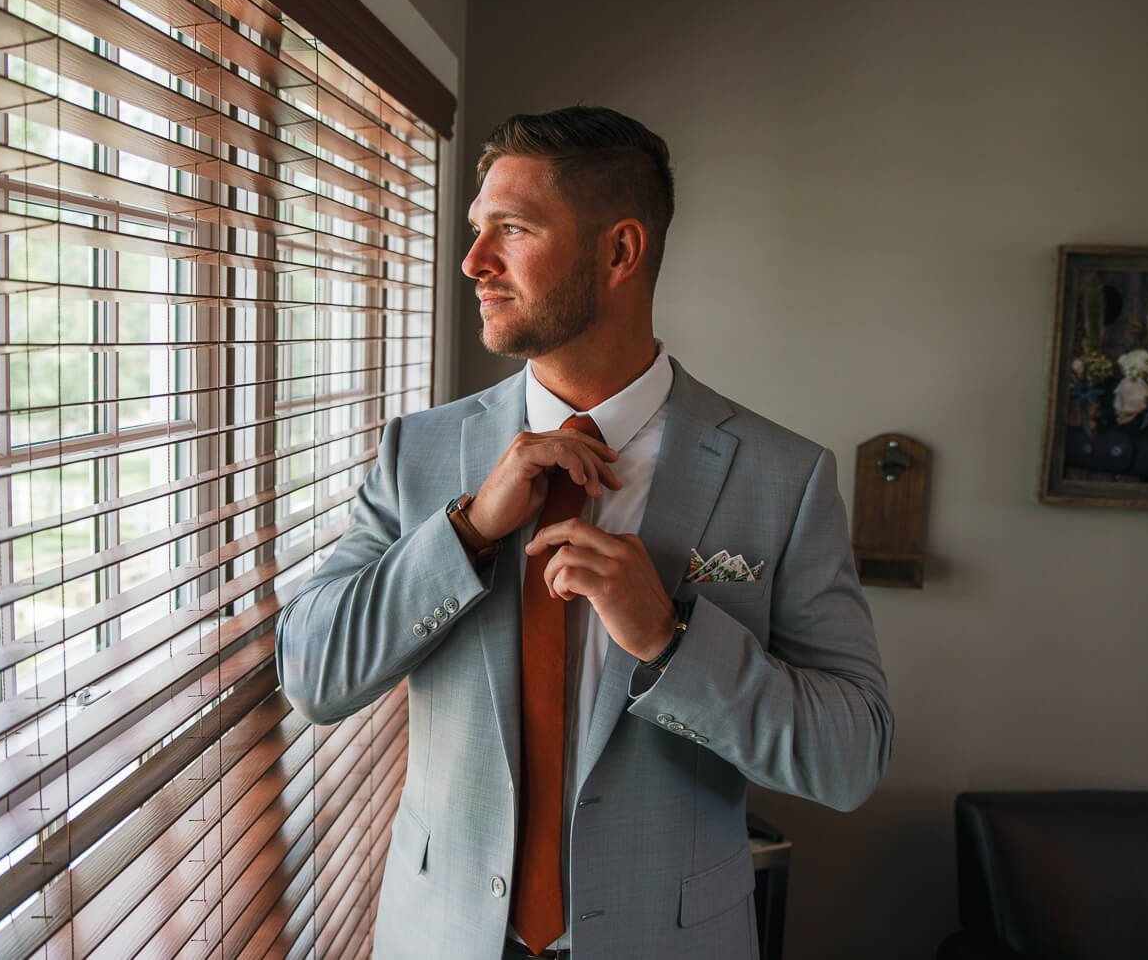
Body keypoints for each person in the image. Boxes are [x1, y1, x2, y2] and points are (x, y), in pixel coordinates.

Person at [275, 106, 892, 960]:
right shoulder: (418, 455)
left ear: (620, 252)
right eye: (474, 230)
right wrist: (465, 534)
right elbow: (313, 674)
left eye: (511, 229)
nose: (473, 262)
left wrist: (669, 640)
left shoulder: (781, 478)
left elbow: (851, 755)